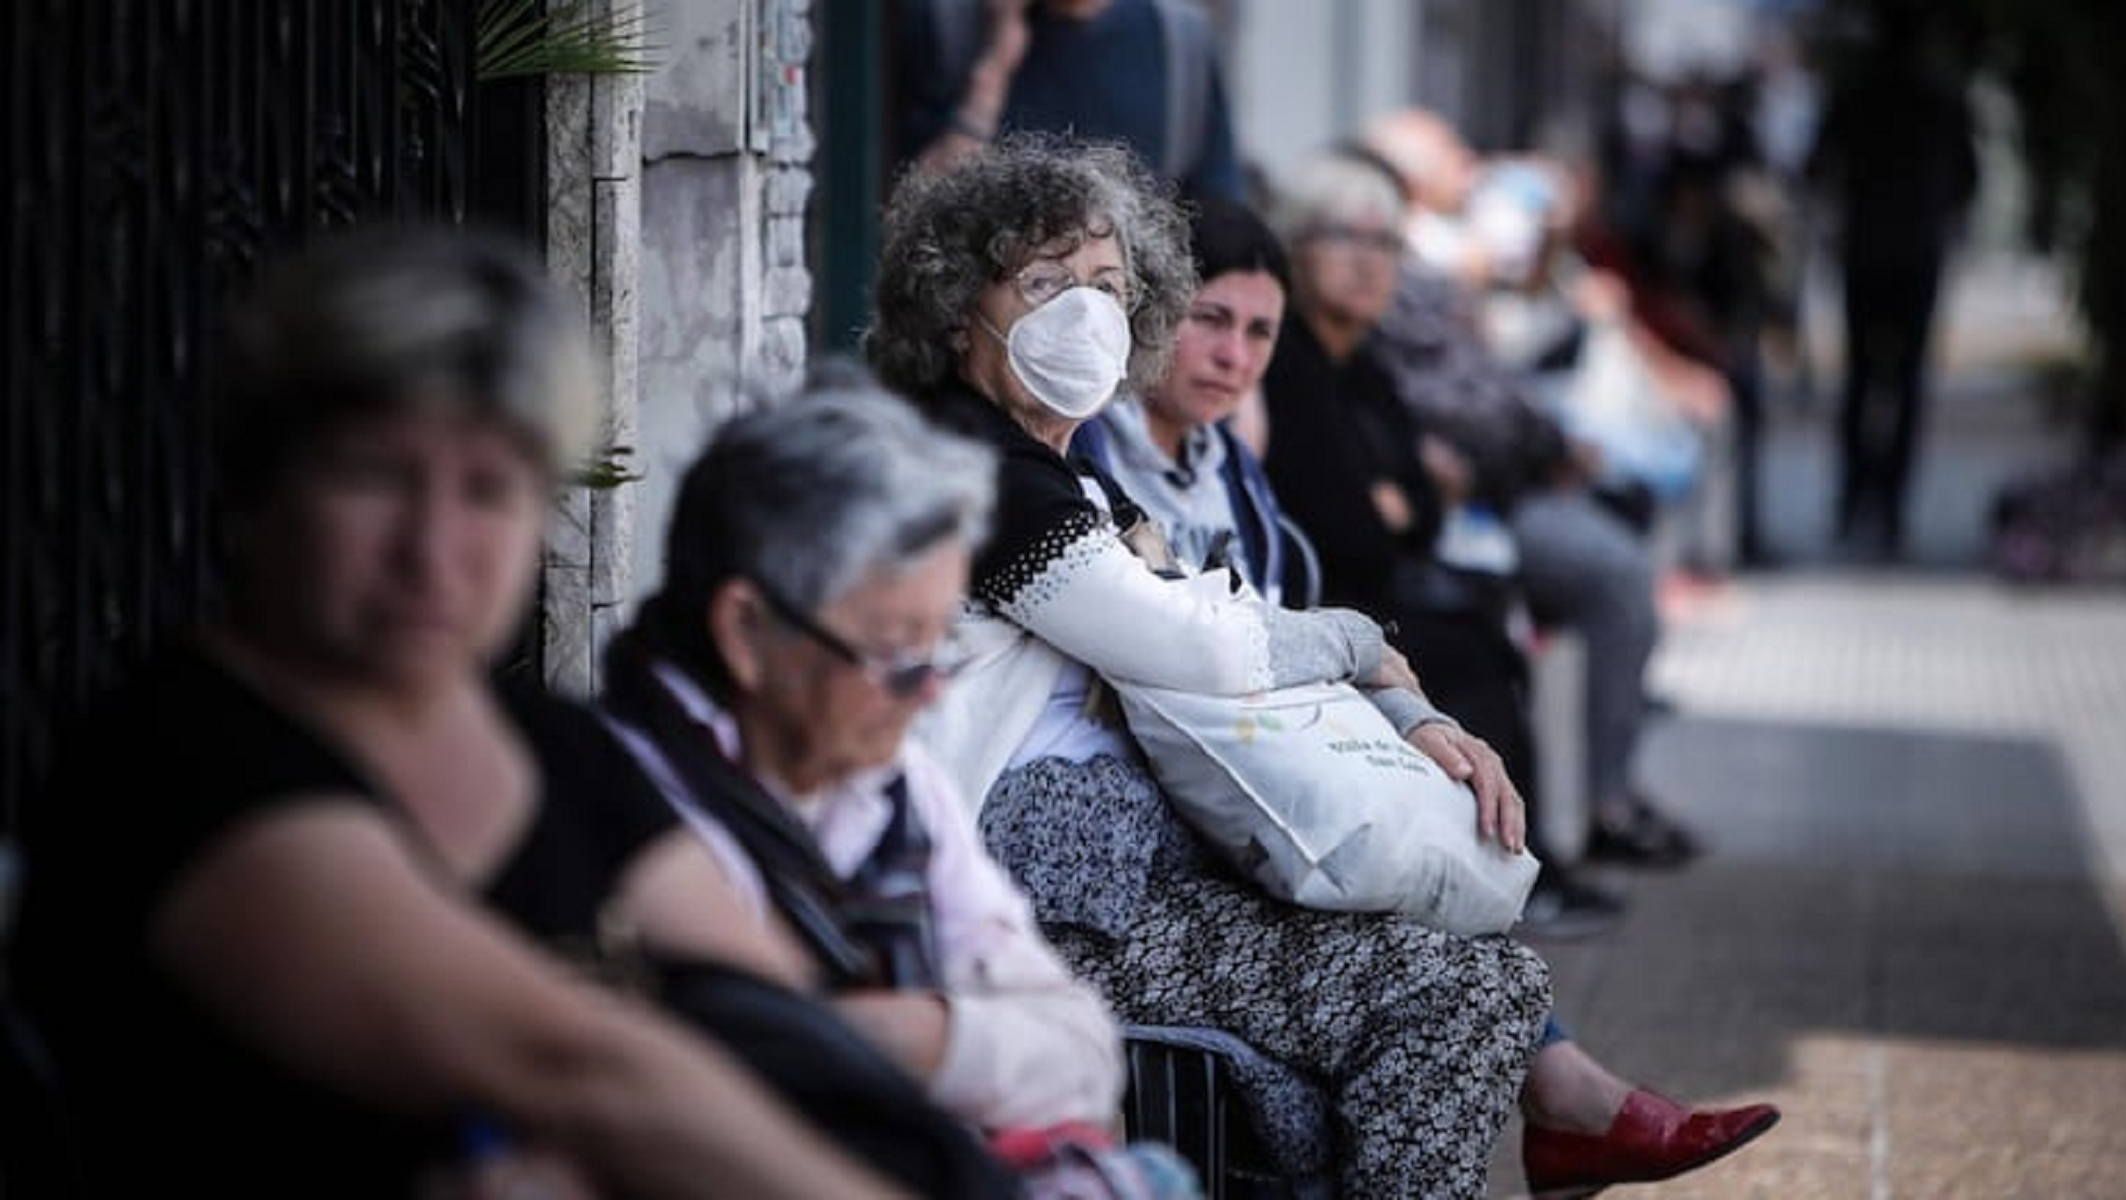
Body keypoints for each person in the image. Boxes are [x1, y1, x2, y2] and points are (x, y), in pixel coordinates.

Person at [9, 225, 934, 1200]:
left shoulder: (557, 747)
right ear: (257, 485)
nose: (432, 550)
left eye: (489, 491)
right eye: (373, 475)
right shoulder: (179, 761)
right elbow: (572, 1068)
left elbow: (783, 1029)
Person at [867, 132, 1550, 1197]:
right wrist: (1363, 643)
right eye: (1043, 283)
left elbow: (1213, 607)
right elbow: (1193, 642)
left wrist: (1403, 710)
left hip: (1134, 881)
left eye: (1105, 283)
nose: (1082, 310)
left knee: (1484, 969)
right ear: (960, 306)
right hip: (1043, 905)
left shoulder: (1070, 479)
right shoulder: (976, 472)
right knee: (1458, 988)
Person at [1076, 193, 1780, 1199]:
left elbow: (1302, 627)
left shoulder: (1227, 463)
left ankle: (1571, 1103)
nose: (1232, 355)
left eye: (1259, 333)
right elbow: (1202, 645)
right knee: (1461, 956)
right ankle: (1571, 1102)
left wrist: (1413, 717)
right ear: (1151, 318)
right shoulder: (1096, 466)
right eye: (1208, 321)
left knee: (1447, 810)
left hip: (1251, 777)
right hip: (1168, 815)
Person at [598, 379, 1179, 1172]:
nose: (930, 688)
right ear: (745, 631)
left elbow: (1083, 1057)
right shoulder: (617, 802)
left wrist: (901, 1035)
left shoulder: (896, 788)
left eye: (936, 644)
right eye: (893, 651)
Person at [1355, 111, 1711, 879]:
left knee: (1623, 526)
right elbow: (1461, 408)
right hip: (1476, 504)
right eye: (1451, 154)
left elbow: (1483, 389)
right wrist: (1544, 449)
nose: (1471, 165)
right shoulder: (1412, 269)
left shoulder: (1447, 259)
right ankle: (1601, 806)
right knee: (1607, 577)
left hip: (1493, 485)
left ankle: (1606, 789)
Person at [1810, 0, 1978, 558]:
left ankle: (1857, 500)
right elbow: (1967, 181)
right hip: (1913, 254)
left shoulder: (1857, 94)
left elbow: (1816, 167)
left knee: (1862, 382)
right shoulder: (1939, 99)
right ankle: (1889, 507)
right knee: (1903, 386)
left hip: (1867, 252)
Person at [897, 0, 1245, 203]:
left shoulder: (1179, 43)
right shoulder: (949, 27)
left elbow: (1221, 235)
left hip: (1131, 317)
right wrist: (991, 71)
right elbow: (912, 215)